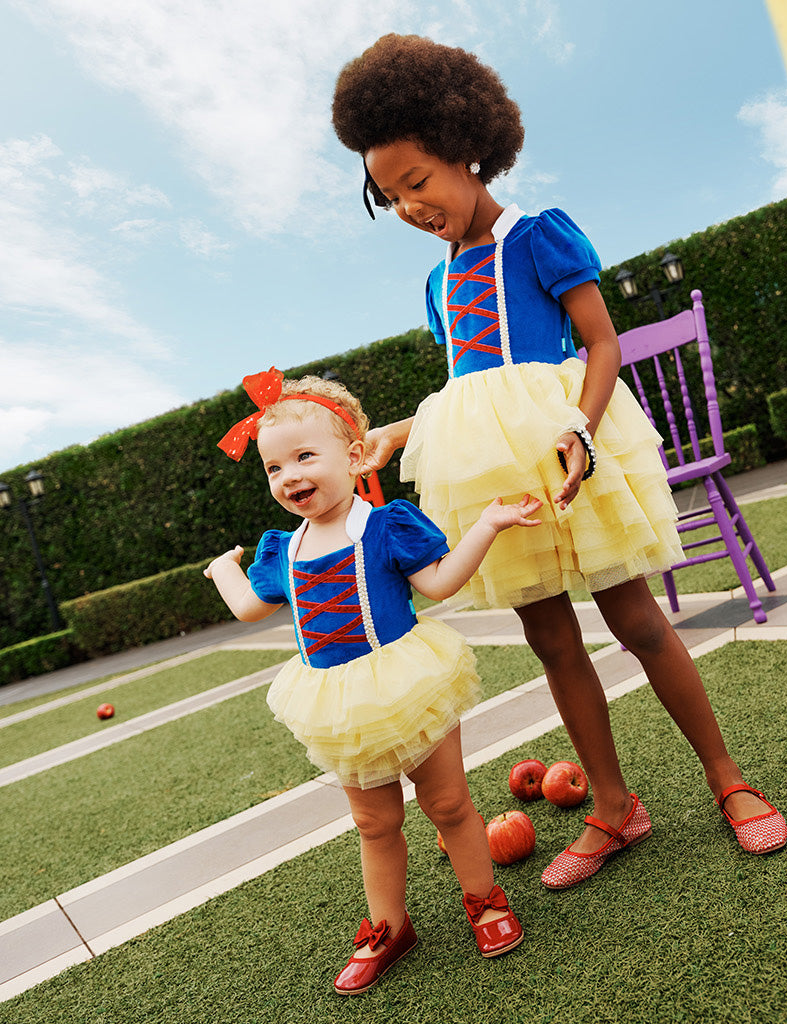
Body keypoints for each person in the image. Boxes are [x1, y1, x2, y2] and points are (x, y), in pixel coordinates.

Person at [330, 35, 787, 891]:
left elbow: (602, 344)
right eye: (390, 197)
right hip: (495, 474)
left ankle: (729, 778)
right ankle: (613, 807)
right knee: (550, 639)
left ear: (465, 146)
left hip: (568, 444)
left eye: (417, 181)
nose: (409, 206)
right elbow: (472, 387)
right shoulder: (437, 282)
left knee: (638, 621)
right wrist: (396, 433)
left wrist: (581, 427)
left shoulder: (538, 236)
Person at [205, 367, 541, 994]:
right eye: (274, 467)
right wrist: (224, 568)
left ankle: (484, 900)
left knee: (447, 804)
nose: (290, 475)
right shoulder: (283, 549)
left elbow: (440, 583)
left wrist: (487, 526)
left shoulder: (386, 526)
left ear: (356, 456)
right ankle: (390, 926)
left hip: (409, 684)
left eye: (305, 456)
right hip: (338, 703)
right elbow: (250, 607)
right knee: (374, 823)